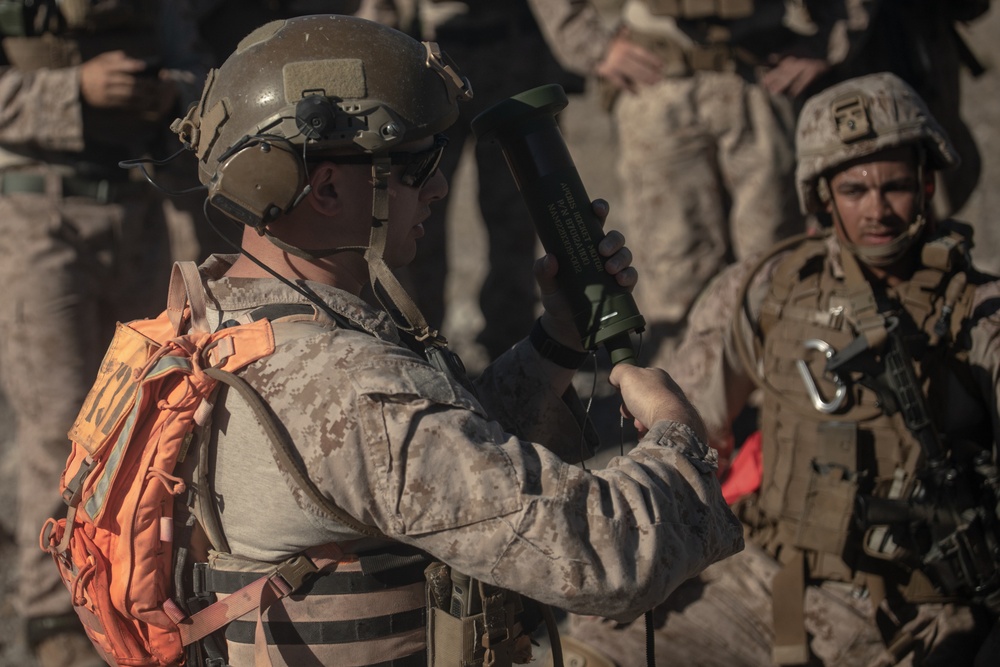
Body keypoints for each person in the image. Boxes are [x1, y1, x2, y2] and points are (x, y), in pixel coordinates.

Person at [161, 14, 742, 666]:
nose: (438, 186)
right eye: (417, 164)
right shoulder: (351, 389)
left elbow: (428, 459)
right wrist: (678, 435)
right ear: (325, 187)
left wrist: (556, 343)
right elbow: (609, 555)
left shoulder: (219, 317)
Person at [561, 72, 1000, 666]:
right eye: (854, 190)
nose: (877, 211)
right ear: (821, 196)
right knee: (590, 653)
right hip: (767, 581)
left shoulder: (977, 310)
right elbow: (684, 433)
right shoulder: (768, 286)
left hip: (919, 611)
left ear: (927, 184)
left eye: (895, 187)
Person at [0, 3, 208, 666]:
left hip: (139, 213)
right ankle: (52, 619)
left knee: (141, 421)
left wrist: (173, 93)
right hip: (39, 215)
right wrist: (74, 91)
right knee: (58, 420)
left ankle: (129, 597)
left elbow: (214, 76)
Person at [533, 1, 883, 371]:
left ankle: (778, 412)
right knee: (674, 284)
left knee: (778, 273)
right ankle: (679, 416)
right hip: (656, 80)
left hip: (763, 72)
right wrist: (589, 43)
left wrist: (831, 39)